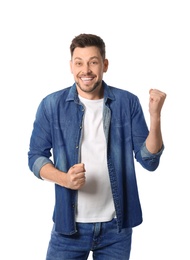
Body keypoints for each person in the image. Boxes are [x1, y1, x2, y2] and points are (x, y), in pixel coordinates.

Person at [28, 33, 166, 260]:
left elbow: (149, 161)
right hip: (68, 228)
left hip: (116, 229)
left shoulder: (127, 102)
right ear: (71, 66)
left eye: (93, 62)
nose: (86, 70)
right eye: (79, 62)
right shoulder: (51, 105)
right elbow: (35, 157)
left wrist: (155, 117)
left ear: (105, 64)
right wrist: (65, 179)